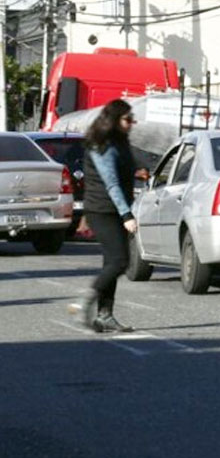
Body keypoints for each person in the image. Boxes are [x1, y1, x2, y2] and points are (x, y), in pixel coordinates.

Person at [69, 100, 147, 333]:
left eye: (132, 119)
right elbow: (111, 183)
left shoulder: (119, 142)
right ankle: (84, 302)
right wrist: (127, 215)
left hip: (112, 209)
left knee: (111, 262)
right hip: (102, 210)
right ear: (114, 120)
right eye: (127, 119)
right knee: (119, 261)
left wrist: (136, 172)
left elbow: (121, 171)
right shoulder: (101, 145)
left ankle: (105, 315)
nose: (131, 124)